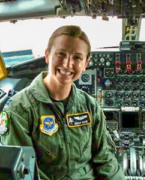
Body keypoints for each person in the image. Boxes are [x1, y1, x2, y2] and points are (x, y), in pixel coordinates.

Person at [0, 25, 125, 180]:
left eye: (77, 58)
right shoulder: (19, 108)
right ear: (47, 55)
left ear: (86, 64)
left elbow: (105, 158)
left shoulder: (90, 106)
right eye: (61, 54)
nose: (67, 64)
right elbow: (23, 172)